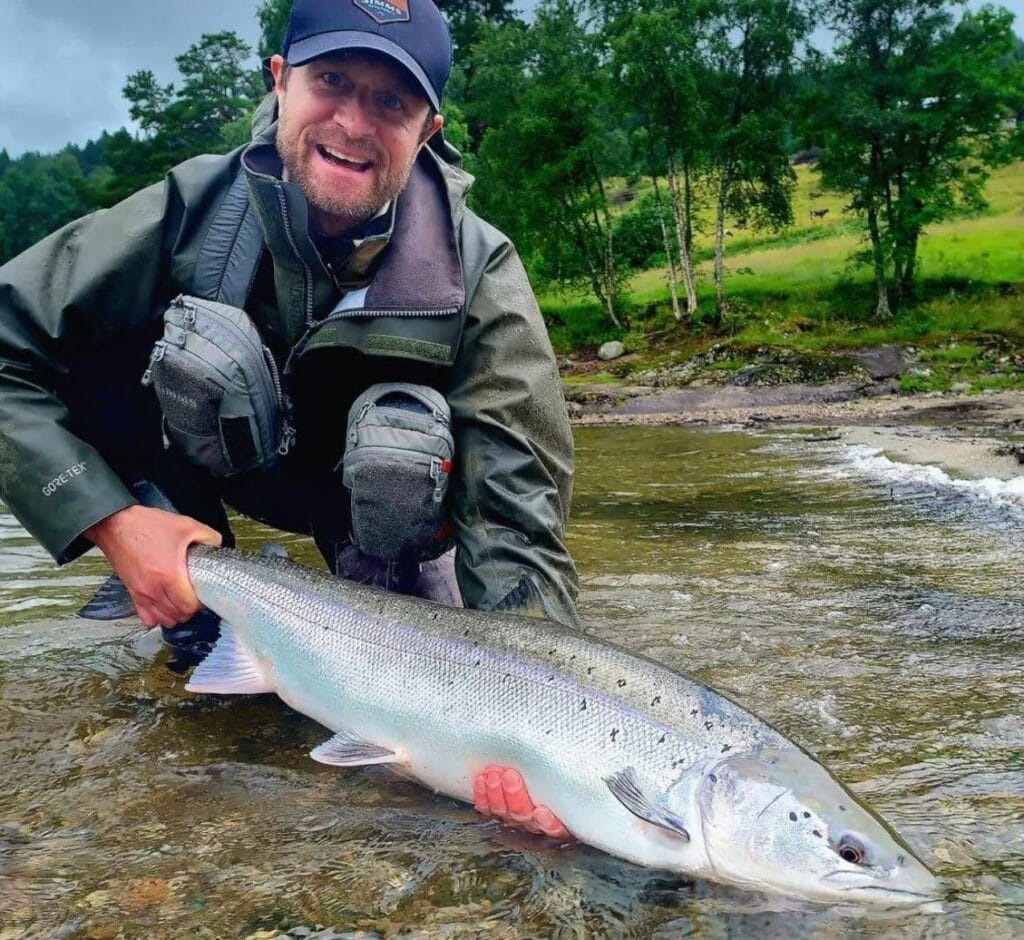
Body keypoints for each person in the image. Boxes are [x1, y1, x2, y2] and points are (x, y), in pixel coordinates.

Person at [0, 0, 575, 836]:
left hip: (383, 511)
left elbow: (519, 518)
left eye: (391, 102)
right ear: (279, 81)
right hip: (192, 491)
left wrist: (546, 732)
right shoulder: (186, 212)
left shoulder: (476, 268)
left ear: (429, 128)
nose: (353, 122)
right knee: (164, 351)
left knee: (439, 676)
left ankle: (363, 614)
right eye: (331, 81)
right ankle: (191, 607)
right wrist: (114, 524)